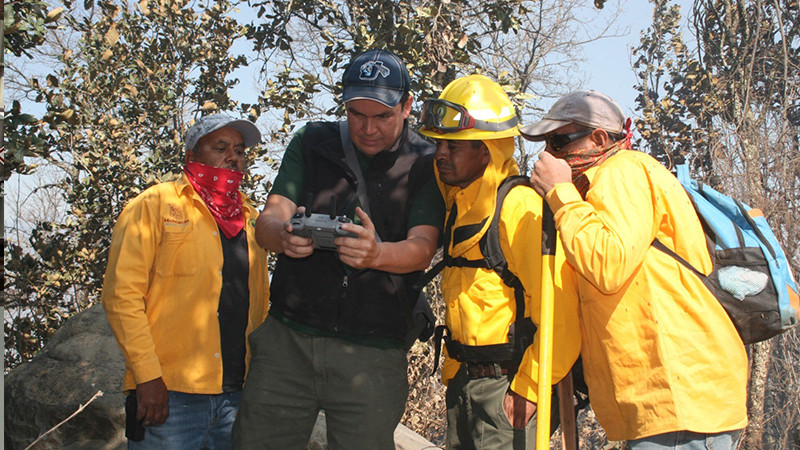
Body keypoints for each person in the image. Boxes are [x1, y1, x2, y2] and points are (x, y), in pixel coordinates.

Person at [232, 48, 444, 449]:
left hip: (375, 349)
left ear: (407, 106)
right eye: (356, 114)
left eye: (382, 115)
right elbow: (268, 220)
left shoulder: (427, 161)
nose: (368, 128)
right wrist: (283, 236)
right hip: (287, 341)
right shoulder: (313, 142)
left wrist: (377, 254)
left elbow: (422, 247)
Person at [524, 90, 748, 448]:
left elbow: (608, 264)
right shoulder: (594, 192)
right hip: (666, 405)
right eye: (547, 144)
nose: (550, 155)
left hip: (679, 400)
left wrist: (560, 192)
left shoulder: (623, 171)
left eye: (559, 140)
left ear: (599, 138)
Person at [418, 74, 581, 449]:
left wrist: (528, 389)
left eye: (454, 146)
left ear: (486, 150)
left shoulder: (518, 208)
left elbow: (562, 315)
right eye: (439, 144)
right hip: (464, 383)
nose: (440, 154)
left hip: (509, 388)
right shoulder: (460, 202)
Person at [101, 114, 270, 449]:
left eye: (239, 150)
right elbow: (122, 297)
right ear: (191, 157)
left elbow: (259, 305)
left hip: (236, 396)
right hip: (169, 396)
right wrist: (148, 378)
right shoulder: (155, 204)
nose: (232, 156)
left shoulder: (250, 217)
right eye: (220, 147)